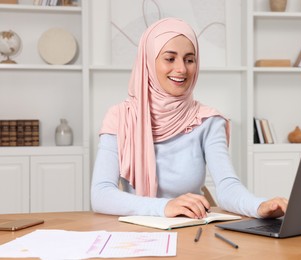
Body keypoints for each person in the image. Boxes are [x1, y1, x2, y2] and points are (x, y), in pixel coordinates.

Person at [91, 17, 288, 220]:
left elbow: (227, 187)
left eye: (189, 59)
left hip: (192, 231)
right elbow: (101, 194)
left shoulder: (208, 121)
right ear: (148, 62)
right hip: (138, 232)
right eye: (170, 58)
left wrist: (259, 206)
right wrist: (165, 207)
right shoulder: (120, 117)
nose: (182, 69)